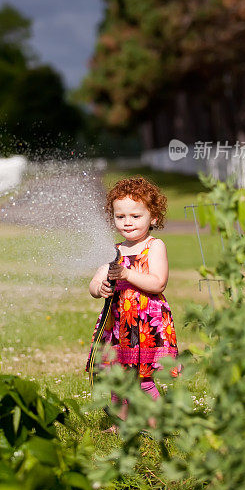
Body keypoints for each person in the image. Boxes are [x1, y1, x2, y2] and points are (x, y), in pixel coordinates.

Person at [85, 176, 181, 426]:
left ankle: (158, 424)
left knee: (143, 379)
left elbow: (158, 282)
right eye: (121, 216)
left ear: (154, 217)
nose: (127, 222)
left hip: (145, 324)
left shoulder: (155, 246)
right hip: (118, 326)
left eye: (136, 216)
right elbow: (94, 283)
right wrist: (100, 288)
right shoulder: (114, 250)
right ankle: (123, 424)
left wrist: (127, 274)